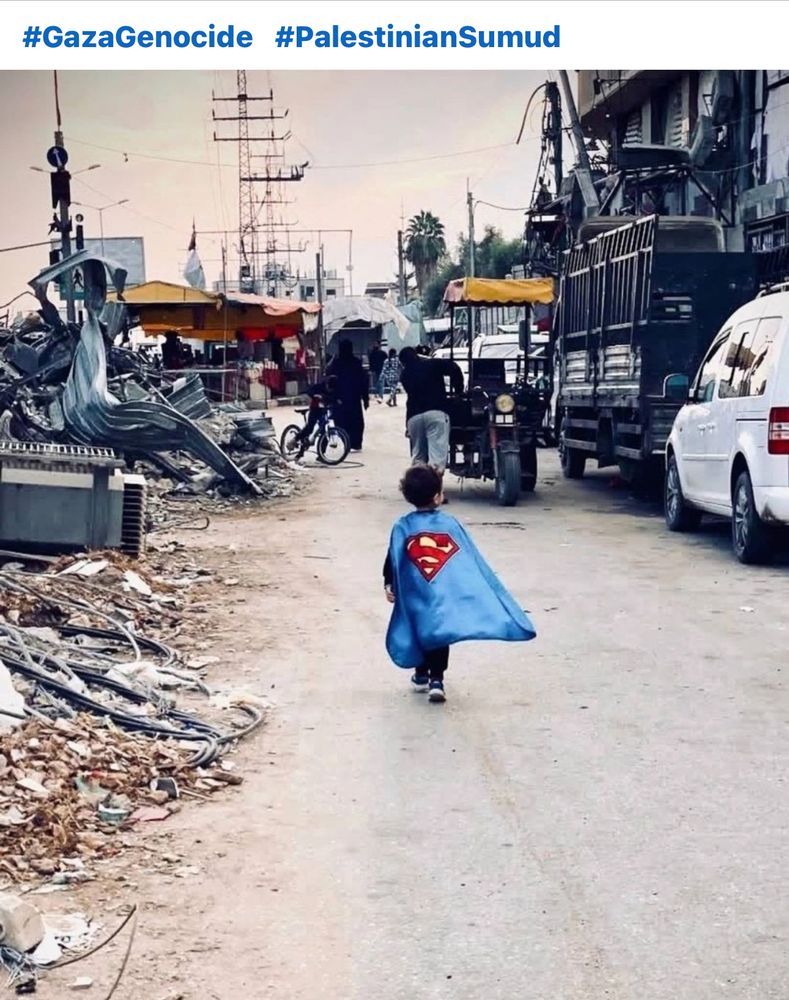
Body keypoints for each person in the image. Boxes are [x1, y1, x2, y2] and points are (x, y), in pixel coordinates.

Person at [383, 464, 536, 703]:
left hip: (414, 593)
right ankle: (436, 680)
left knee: (419, 629)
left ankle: (421, 674)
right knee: (439, 633)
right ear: (437, 496)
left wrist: (389, 584)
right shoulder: (449, 524)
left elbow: (393, 557)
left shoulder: (402, 526)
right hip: (442, 594)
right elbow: (466, 559)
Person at [398, 346, 464, 490]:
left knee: (418, 456)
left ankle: (418, 489)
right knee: (436, 457)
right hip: (436, 414)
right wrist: (459, 391)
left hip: (414, 418)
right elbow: (454, 368)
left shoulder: (404, 375)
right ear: (417, 355)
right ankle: (433, 491)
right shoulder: (432, 364)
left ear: (403, 363)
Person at [327, 340, 369, 450]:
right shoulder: (356, 362)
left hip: (340, 398)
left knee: (341, 420)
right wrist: (365, 398)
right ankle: (356, 443)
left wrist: (331, 397)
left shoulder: (336, 363)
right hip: (354, 397)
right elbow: (363, 381)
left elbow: (330, 379)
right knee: (356, 421)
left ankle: (347, 441)